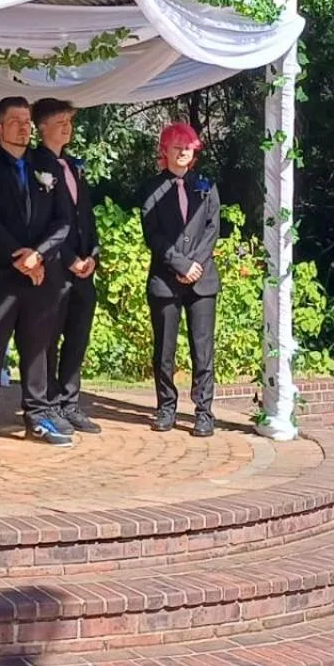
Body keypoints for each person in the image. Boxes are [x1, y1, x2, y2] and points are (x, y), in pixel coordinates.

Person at [0, 96, 72, 449]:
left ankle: (37, 415)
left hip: (41, 275)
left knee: (37, 347)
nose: (24, 127)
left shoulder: (48, 165)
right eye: (16, 121)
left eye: (27, 121)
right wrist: (18, 256)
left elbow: (63, 220)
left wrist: (38, 256)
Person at [139, 122, 222, 436]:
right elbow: (153, 234)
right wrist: (180, 264)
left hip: (202, 280)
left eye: (188, 147)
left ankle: (204, 411)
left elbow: (213, 227)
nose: (184, 151)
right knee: (164, 349)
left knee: (203, 348)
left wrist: (196, 264)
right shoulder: (152, 188)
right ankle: (166, 408)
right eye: (177, 146)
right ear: (165, 151)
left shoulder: (206, 185)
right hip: (165, 279)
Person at [29, 97, 102, 435]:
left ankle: (71, 402)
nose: (67, 127)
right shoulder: (35, 165)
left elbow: (84, 215)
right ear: (42, 127)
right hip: (57, 266)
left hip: (84, 268)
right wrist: (70, 258)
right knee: (49, 337)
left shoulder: (74, 166)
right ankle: (48, 403)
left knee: (78, 335)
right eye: (60, 122)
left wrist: (93, 255)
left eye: (70, 121)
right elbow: (44, 222)